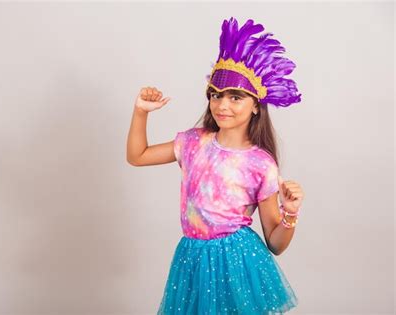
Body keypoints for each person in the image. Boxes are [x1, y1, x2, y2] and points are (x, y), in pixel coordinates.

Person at [126, 17, 304, 314]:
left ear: (256, 104)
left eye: (236, 97)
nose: (223, 105)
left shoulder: (261, 164)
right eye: (216, 95)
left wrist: (291, 213)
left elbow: (275, 243)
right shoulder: (193, 143)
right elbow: (138, 155)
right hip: (192, 257)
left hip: (236, 261)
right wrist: (140, 112)